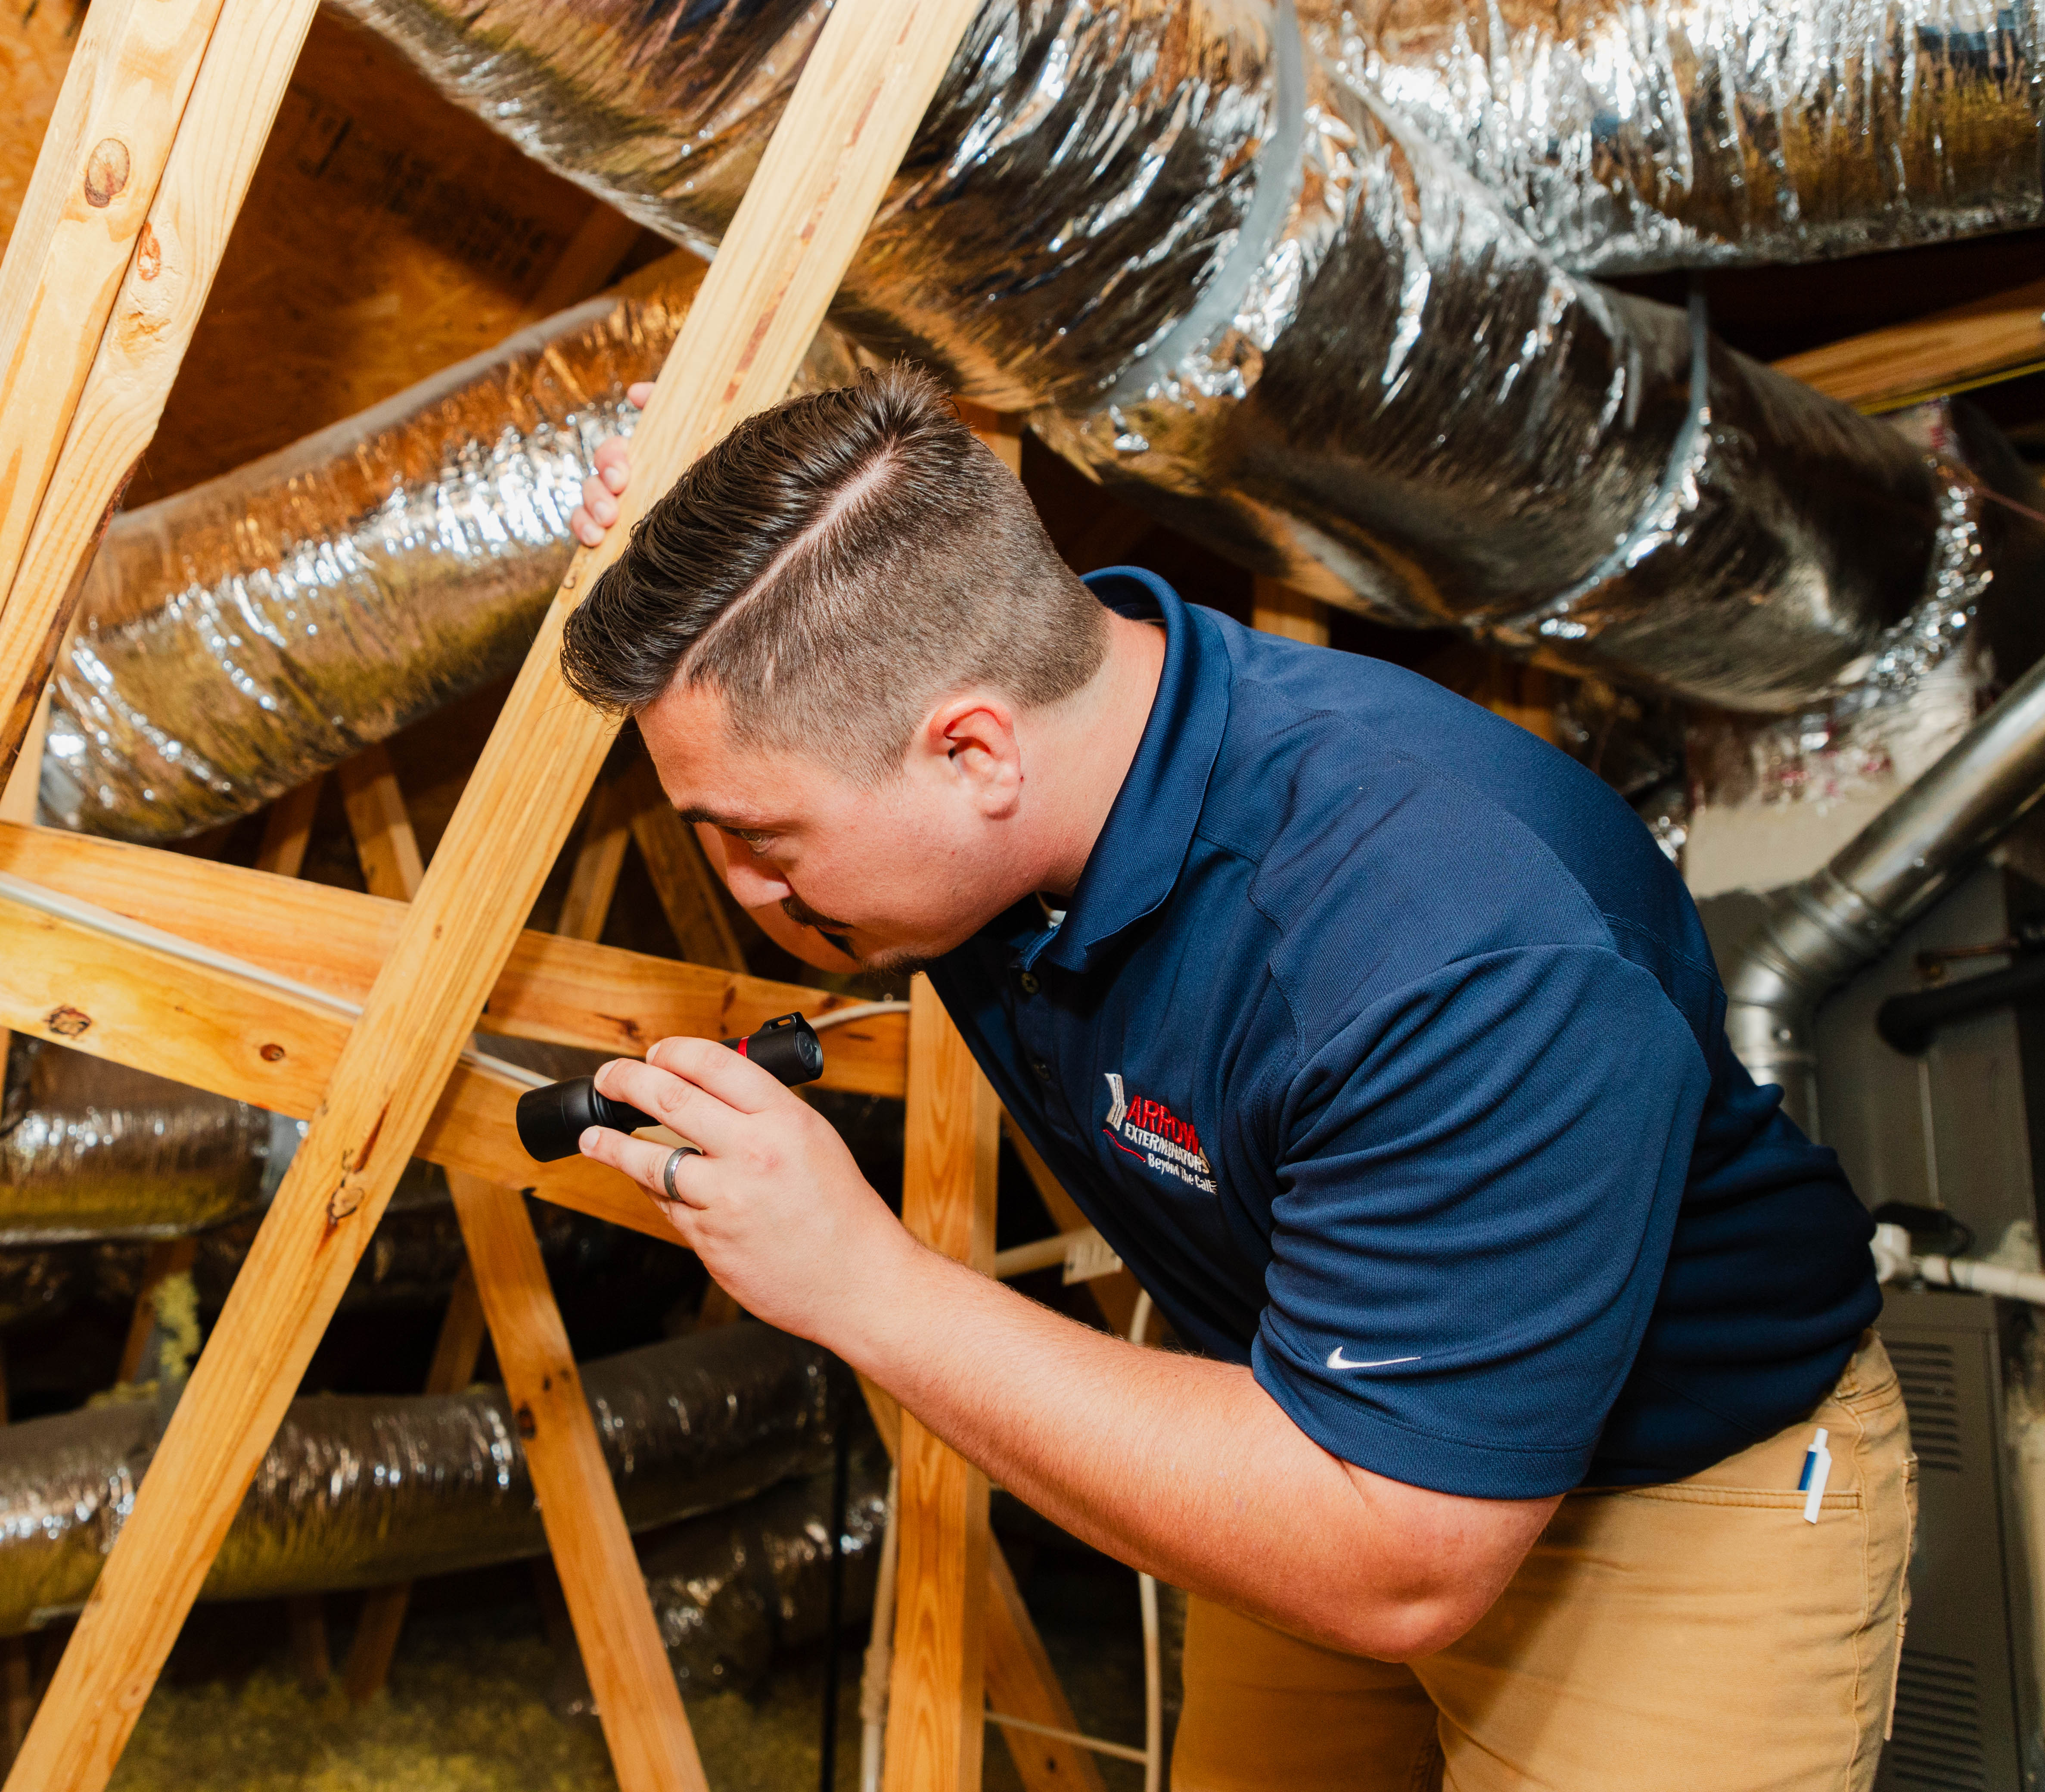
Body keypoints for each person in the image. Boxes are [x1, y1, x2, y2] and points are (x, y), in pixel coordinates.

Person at [555, 366, 1908, 1789]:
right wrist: (725, 482)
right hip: (1295, 1425)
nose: (747, 891)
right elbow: (882, 498)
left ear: (973, 751)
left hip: (1657, 1498)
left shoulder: (1445, 941)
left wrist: (859, 1281)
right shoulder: (1021, 730)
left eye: (762, 836)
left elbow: (1395, 1554)